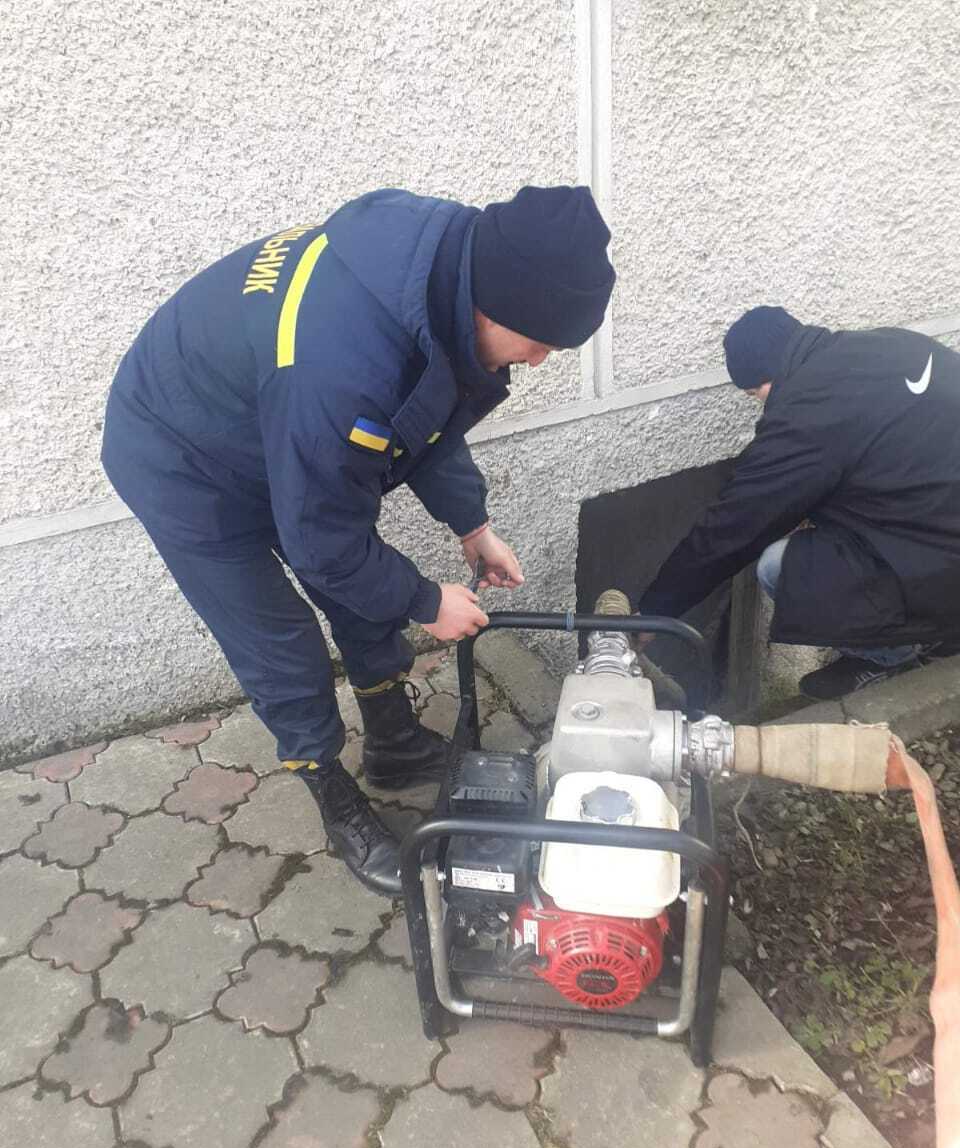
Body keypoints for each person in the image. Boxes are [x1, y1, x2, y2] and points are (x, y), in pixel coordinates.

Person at [102, 185, 615, 894]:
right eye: (542, 343)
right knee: (280, 638)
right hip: (183, 460)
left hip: (277, 422)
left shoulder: (442, 275)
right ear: (496, 307)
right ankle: (331, 793)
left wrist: (472, 525)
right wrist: (426, 601)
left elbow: (427, 415)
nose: (539, 362)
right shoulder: (342, 365)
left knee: (360, 579)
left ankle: (394, 745)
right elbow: (322, 543)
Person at [638, 306, 960, 700]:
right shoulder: (889, 343)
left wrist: (656, 609)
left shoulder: (806, 412)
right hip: (940, 519)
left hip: (945, 562)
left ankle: (894, 655)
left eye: (754, 394)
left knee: (778, 566)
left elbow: (734, 525)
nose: (759, 403)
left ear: (766, 377)